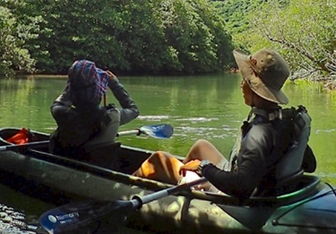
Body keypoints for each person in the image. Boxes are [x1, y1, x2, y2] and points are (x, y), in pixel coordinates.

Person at [133, 48, 312, 200]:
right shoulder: (283, 121)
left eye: (245, 80)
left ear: (253, 87)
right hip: (262, 184)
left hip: (236, 197)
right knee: (200, 146)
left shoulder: (259, 133)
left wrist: (204, 168)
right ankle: (183, 185)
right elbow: (310, 164)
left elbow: (241, 187)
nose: (242, 85)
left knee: (159, 158)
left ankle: (125, 191)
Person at [49, 59, 139, 169]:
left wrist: (74, 83)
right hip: (100, 170)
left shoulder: (61, 113)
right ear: (98, 92)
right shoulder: (111, 116)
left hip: (66, 167)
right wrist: (114, 84)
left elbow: (61, 101)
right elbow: (134, 110)